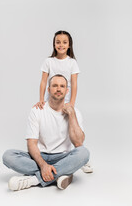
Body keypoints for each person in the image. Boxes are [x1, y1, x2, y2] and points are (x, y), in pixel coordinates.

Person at [2, 75, 90, 191]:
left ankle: (34, 180)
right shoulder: (37, 110)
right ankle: (62, 173)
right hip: (40, 157)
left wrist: (71, 115)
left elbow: (79, 143)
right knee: (8, 156)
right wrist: (43, 166)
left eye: (62, 86)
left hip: (63, 156)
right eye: (55, 86)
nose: (58, 89)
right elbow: (32, 144)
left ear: (67, 90)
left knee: (84, 153)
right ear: (48, 89)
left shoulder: (75, 112)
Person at [34, 30, 93, 173]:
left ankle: (80, 159)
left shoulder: (72, 63)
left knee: (72, 128)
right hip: (51, 101)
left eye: (64, 42)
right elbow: (43, 82)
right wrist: (41, 99)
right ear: (54, 44)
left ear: (69, 45)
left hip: (66, 102)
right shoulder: (48, 61)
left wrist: (71, 104)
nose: (61, 45)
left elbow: (74, 84)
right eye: (58, 42)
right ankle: (46, 159)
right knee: (52, 128)